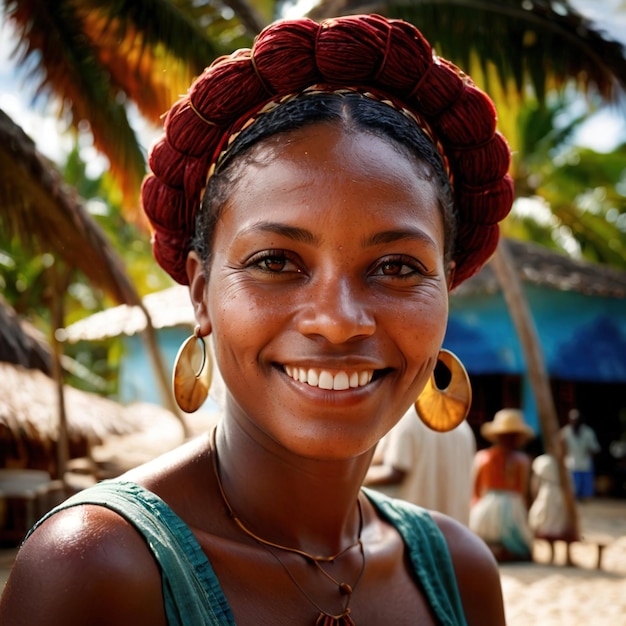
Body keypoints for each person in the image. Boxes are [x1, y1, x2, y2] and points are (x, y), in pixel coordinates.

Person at [0, 14, 513, 625]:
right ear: (199, 292)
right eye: (276, 261)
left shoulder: (460, 574)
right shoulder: (96, 572)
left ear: (446, 289)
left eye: (398, 267)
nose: (337, 320)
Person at [364, 406, 476, 525]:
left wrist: (357, 480)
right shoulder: (461, 424)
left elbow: (396, 472)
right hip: (456, 529)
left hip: (417, 530)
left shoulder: (405, 417)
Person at [470, 408, 535, 562]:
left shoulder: (483, 457)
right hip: (511, 506)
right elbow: (525, 492)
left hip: (490, 507)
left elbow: (476, 490)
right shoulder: (522, 460)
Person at [560, 408, 601, 501]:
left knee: (585, 494)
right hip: (571, 464)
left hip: (585, 465)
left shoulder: (588, 432)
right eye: (572, 420)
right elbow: (560, 448)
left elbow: (595, 448)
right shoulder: (565, 432)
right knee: (572, 492)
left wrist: (589, 452)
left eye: (576, 420)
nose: (574, 422)